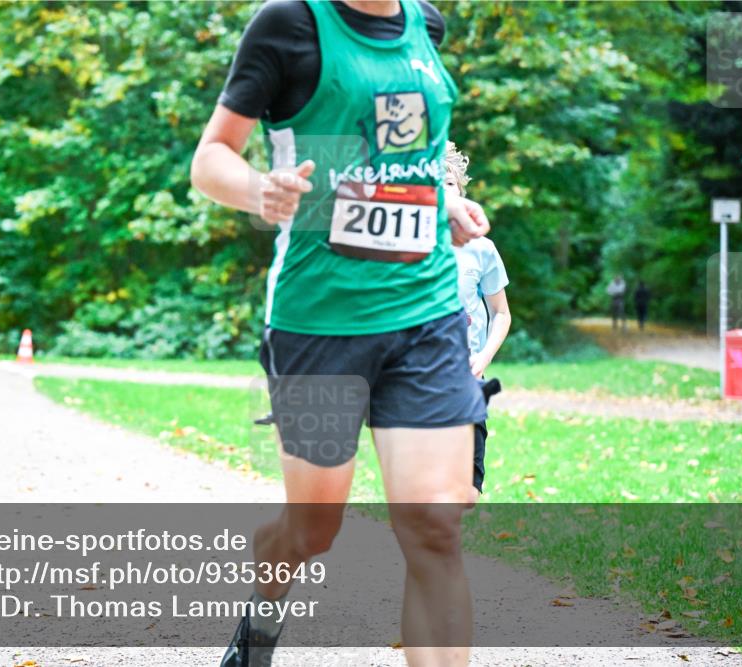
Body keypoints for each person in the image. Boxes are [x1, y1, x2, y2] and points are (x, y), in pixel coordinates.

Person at [191, 2, 491, 665]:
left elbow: (406, 151)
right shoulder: (289, 25)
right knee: (313, 528)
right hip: (319, 323)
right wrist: (257, 191)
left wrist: (444, 201)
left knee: (434, 525)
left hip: (427, 314)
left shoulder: (427, 27)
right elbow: (211, 158)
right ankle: (262, 620)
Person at [444, 142, 511, 504]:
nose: (443, 189)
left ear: (462, 192)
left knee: (468, 493)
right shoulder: (411, 246)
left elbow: (502, 313)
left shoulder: (481, 248)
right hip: (420, 380)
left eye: (450, 183)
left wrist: (483, 359)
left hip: (469, 379)